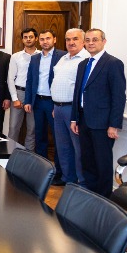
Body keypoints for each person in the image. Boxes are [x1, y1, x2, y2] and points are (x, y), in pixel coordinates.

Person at [70, 29, 126, 198]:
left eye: (95, 39)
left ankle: (103, 199)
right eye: (87, 40)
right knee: (87, 161)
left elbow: (118, 96)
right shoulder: (83, 64)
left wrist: (114, 125)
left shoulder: (113, 63)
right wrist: (74, 118)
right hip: (84, 120)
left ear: (104, 41)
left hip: (103, 123)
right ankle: (91, 195)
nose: (91, 43)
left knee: (102, 163)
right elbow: (78, 93)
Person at [24, 29, 67, 185]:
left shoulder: (63, 56)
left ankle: (59, 172)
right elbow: (30, 80)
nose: (45, 41)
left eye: (48, 38)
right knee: (40, 136)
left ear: (54, 39)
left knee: (58, 138)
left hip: (54, 103)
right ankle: (42, 170)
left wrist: (58, 104)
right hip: (38, 101)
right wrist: (28, 101)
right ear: (39, 41)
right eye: (42, 39)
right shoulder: (35, 58)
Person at [51, 28, 88, 185]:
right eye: (68, 39)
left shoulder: (86, 59)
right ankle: (68, 179)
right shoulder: (63, 58)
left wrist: (77, 113)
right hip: (58, 108)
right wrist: (55, 105)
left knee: (79, 149)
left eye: (75, 39)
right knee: (63, 147)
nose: (71, 42)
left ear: (83, 41)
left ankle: (83, 183)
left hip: (73, 109)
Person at [7, 28, 39, 149]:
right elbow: (10, 78)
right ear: (22, 40)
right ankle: (10, 154)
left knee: (32, 128)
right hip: (19, 93)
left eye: (31, 37)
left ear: (36, 38)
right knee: (13, 127)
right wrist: (14, 98)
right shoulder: (16, 56)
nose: (28, 39)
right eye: (25, 37)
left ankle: (29, 155)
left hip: (35, 95)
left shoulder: (41, 55)